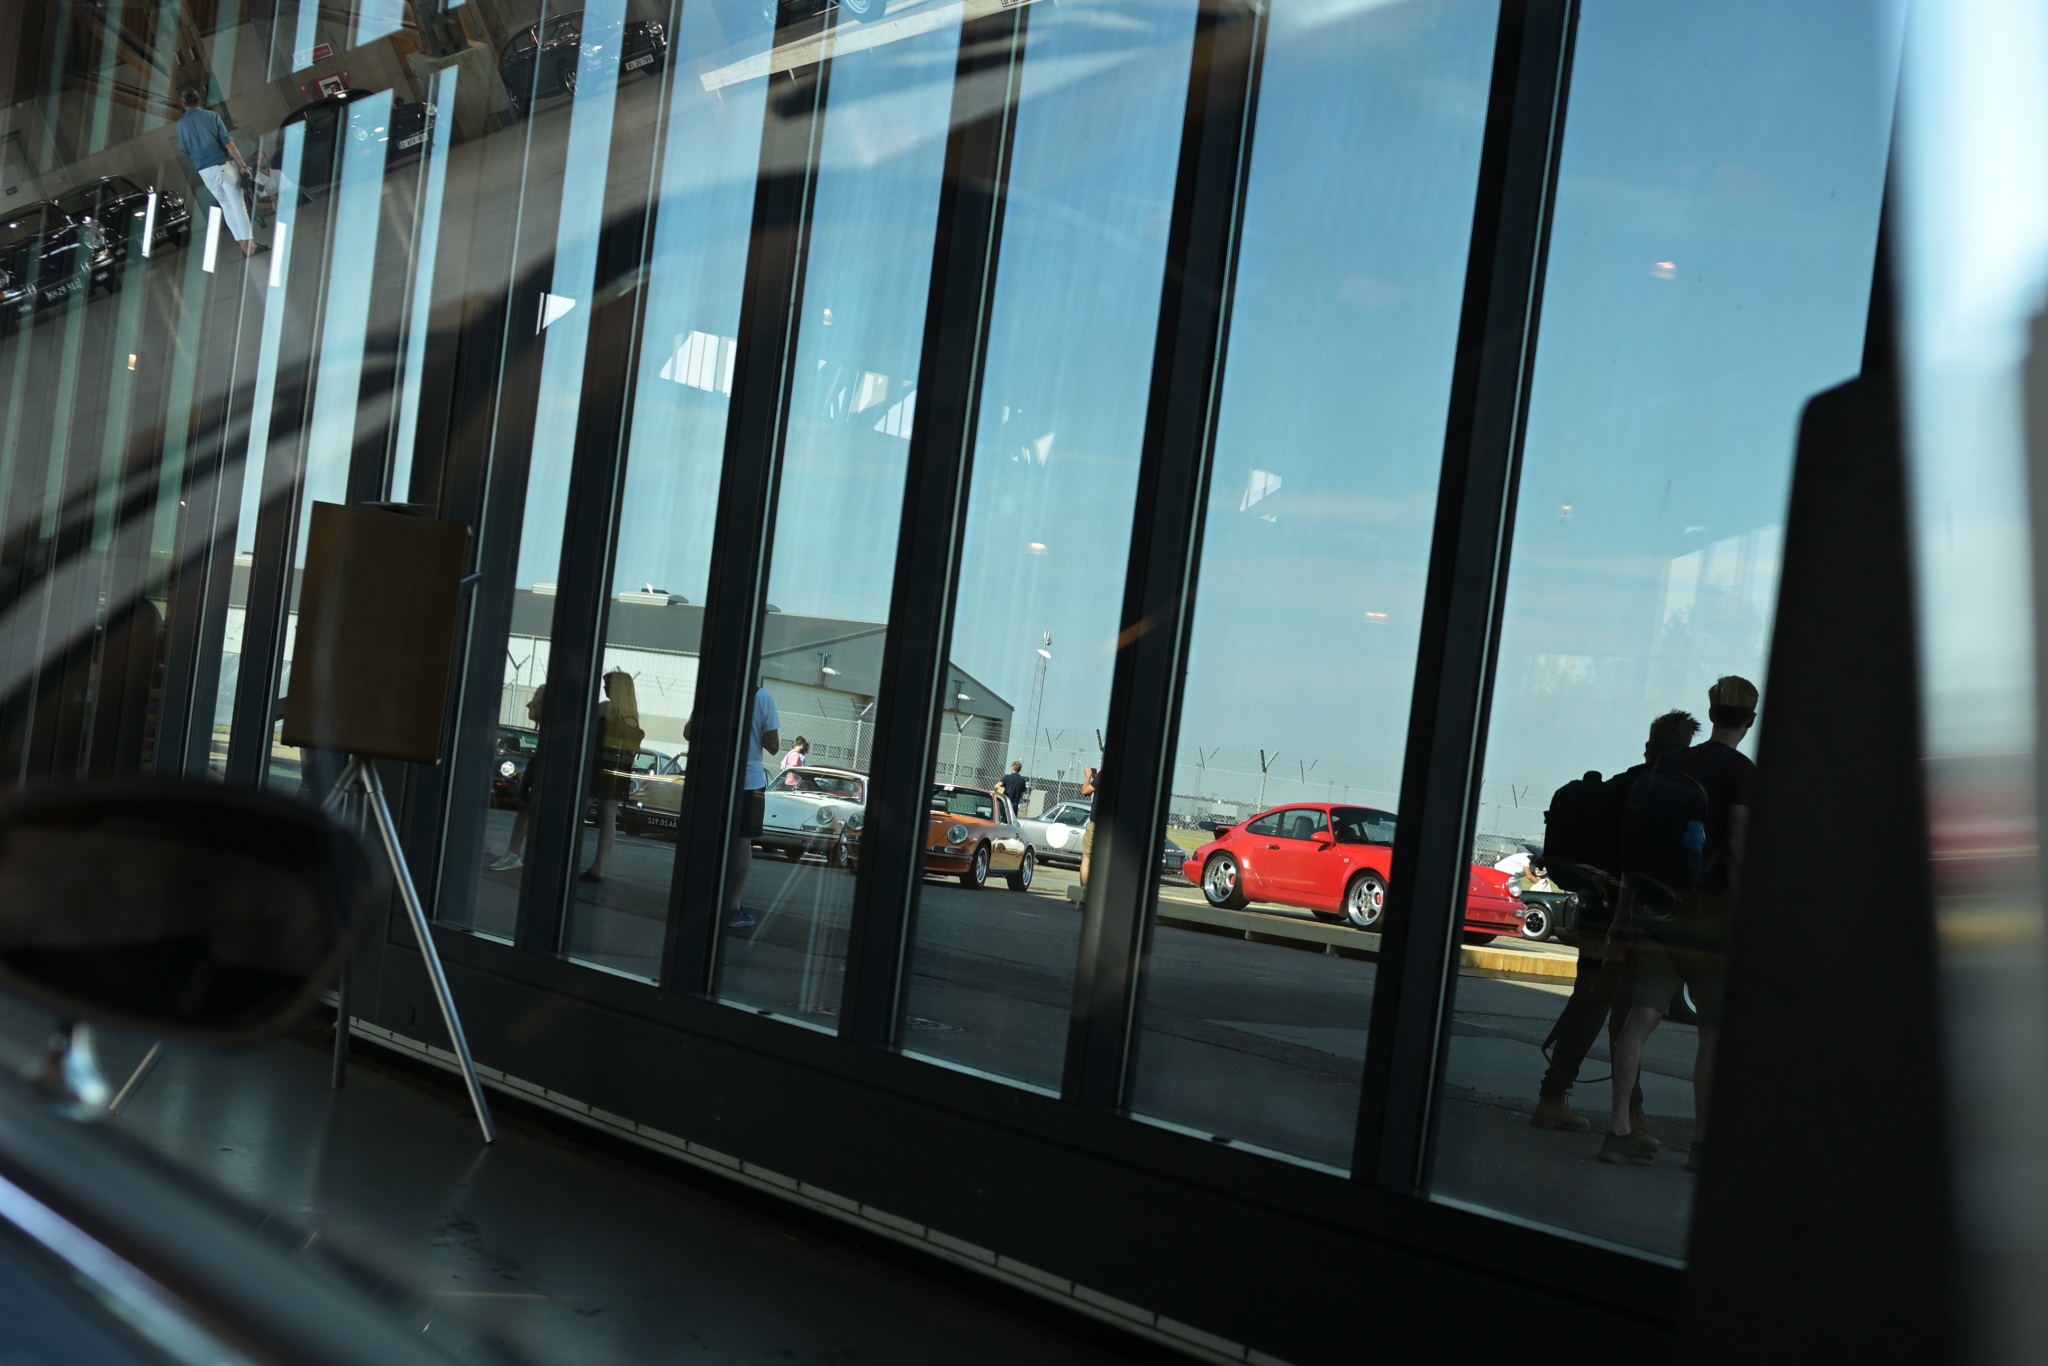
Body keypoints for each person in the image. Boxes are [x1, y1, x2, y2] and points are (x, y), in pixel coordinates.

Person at [1599, 676, 1759, 1171]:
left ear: (1711, 715)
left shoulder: (1669, 763)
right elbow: (1736, 847)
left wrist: (1625, 911)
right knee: (1712, 1031)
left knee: (1641, 1016)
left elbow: (1639, 842)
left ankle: (1618, 1129)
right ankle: (1702, 1145)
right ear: (1749, 722)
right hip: (1710, 913)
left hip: (1657, 907)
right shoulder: (1740, 772)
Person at [1529, 709, 1700, 1135]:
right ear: (1683, 752)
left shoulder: (1622, 784)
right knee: (1622, 1016)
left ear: (1648, 745)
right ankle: (1630, 1120)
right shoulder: (1661, 793)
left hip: (1593, 910)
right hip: (1623, 920)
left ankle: (1554, 1098)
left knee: (1589, 1003)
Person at [684, 684, 779, 928]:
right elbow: (773, 746)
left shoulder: (714, 689)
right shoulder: (762, 697)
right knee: (742, 842)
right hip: (749, 781)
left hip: (714, 776)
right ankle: (733, 907)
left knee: (710, 837)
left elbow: (688, 732)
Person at [175, 90, 260, 259]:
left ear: (184, 104)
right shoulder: (211, 116)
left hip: (205, 172)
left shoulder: (180, 125)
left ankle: (243, 246)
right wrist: (243, 165)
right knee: (238, 205)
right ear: (199, 100)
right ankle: (250, 247)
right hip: (223, 167)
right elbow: (229, 144)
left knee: (226, 206)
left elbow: (184, 150)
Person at [580, 672, 643, 884]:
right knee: (608, 820)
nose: (605, 689)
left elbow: (583, 717)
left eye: (608, 685)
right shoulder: (631, 716)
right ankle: (597, 868)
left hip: (597, 768)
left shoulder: (606, 708)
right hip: (618, 771)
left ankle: (566, 856)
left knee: (577, 812)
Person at [491, 687, 548, 871]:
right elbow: (534, 712)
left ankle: (513, 855)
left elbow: (533, 711)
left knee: (528, 810)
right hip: (541, 760)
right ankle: (513, 855)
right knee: (526, 809)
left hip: (544, 761)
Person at [1079, 764, 1106, 888]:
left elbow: (1085, 791)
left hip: (1096, 822)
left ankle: (1083, 893)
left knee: (1087, 858)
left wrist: (1088, 776)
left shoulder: (1104, 774)